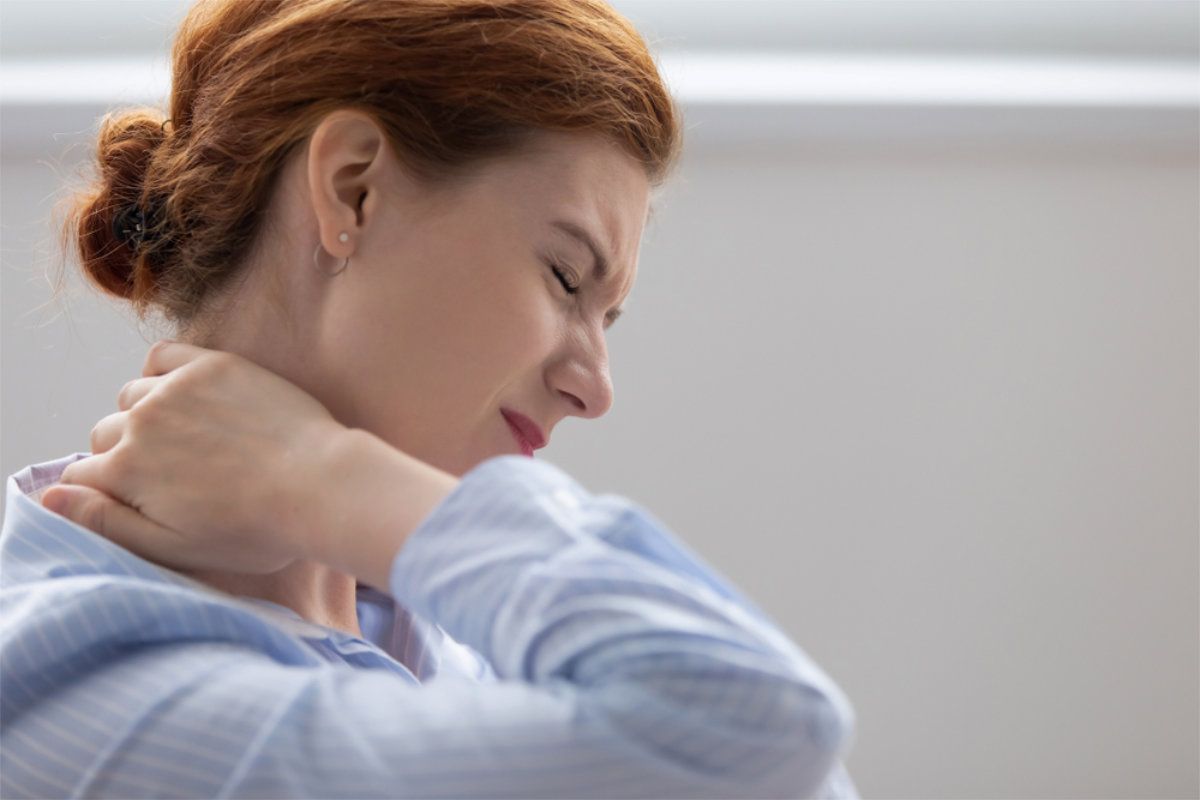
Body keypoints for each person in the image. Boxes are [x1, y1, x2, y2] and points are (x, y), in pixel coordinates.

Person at [0, 0, 859, 797]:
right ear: (352, 189)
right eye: (564, 277)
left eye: (609, 319)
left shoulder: (425, 622)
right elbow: (766, 731)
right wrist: (322, 476)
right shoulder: (79, 681)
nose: (594, 388)